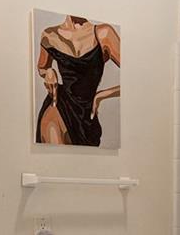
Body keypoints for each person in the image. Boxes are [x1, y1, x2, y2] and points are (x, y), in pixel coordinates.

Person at [36, 15, 121, 146]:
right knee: (54, 160)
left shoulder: (104, 33)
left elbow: (134, 77)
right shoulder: (50, 35)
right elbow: (42, 67)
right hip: (58, 105)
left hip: (87, 116)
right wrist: (48, 72)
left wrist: (101, 95)